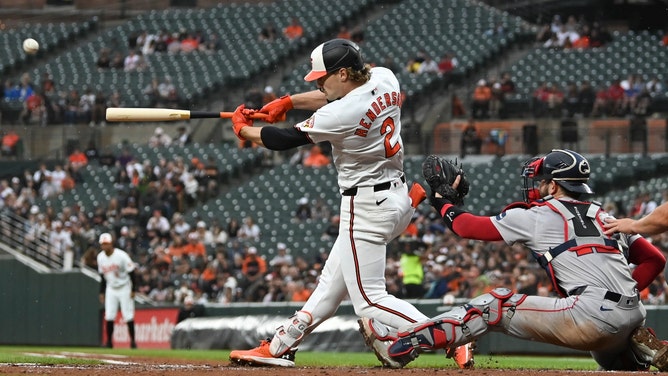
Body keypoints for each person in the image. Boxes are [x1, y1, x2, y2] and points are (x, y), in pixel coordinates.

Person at [360, 149, 668, 371]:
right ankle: (636, 352)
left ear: (554, 185)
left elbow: (466, 227)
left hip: (592, 316)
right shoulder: (606, 216)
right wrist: (619, 298)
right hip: (631, 314)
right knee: (607, 358)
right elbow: (655, 260)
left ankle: (399, 347)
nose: (536, 185)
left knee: (492, 307)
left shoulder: (539, 214)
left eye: (542, 180)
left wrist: (443, 202)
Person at [228, 38, 435, 368]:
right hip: (396, 197)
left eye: (322, 77)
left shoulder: (342, 113)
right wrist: (288, 101)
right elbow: (332, 96)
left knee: (369, 301)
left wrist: (243, 131)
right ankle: (281, 345)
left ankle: (448, 334)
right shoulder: (384, 76)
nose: (319, 83)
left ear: (342, 75)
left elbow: (283, 140)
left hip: (365, 206)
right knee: (329, 287)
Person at [97, 233, 138, 349]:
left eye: (106, 244)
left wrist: (133, 289)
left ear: (111, 244)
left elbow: (132, 272)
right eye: (103, 244)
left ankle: (133, 342)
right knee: (109, 315)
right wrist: (101, 292)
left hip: (124, 286)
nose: (105, 246)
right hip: (111, 288)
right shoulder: (100, 257)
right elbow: (102, 276)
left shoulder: (121, 255)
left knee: (128, 315)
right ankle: (109, 342)